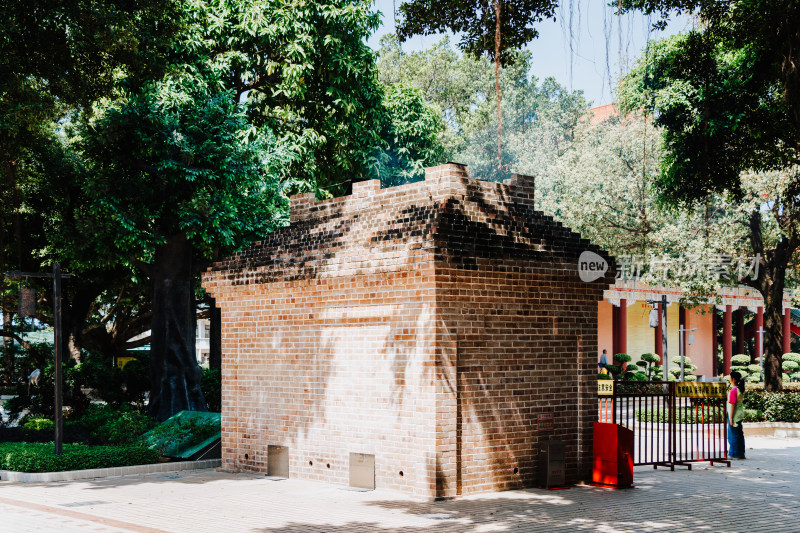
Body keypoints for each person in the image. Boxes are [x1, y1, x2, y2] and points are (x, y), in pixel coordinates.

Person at [727, 371, 746, 460]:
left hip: (734, 415)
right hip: (740, 413)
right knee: (739, 434)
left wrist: (730, 418)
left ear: (733, 379)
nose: (729, 379)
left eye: (730, 377)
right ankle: (741, 453)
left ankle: (733, 454)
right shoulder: (740, 389)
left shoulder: (734, 390)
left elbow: (732, 405)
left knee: (733, 434)